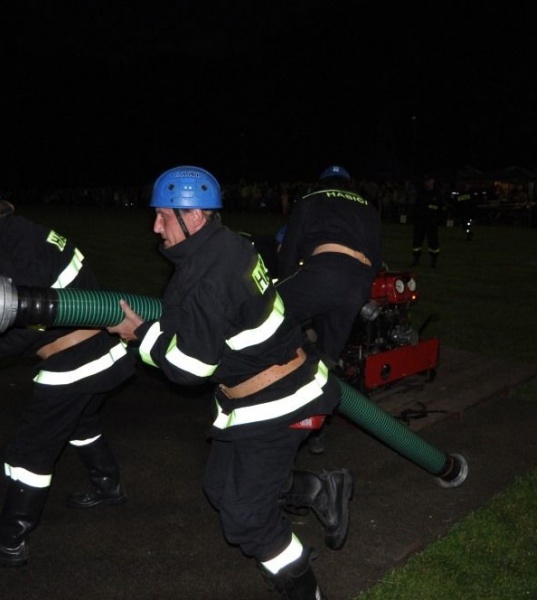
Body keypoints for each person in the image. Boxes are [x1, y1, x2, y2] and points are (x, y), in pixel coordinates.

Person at [107, 166, 352, 599]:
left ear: (196, 217)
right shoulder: (228, 244)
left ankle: (303, 588)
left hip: (279, 402)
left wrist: (140, 335)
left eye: (163, 216)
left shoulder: (205, 279)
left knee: (246, 519)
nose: (155, 226)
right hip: (266, 391)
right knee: (218, 487)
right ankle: (317, 488)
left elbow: (189, 369)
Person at [0, 177, 137, 567]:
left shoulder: (17, 258)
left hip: (77, 361)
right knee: (82, 421)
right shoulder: (25, 235)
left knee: (28, 453)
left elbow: (15, 339)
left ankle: (9, 543)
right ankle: (108, 486)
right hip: (102, 352)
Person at [275, 165, 382, 454]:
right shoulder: (368, 206)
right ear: (349, 183)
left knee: (266, 320)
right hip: (357, 283)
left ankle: (269, 408)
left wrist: (280, 289)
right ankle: (316, 433)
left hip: (325, 271)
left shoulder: (311, 199)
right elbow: (377, 254)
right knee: (325, 363)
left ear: (321, 182)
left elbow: (290, 250)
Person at [410, 173, 445, 267]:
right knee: (417, 242)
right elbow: (416, 206)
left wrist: (438, 219)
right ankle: (415, 259)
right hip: (420, 222)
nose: (427, 183)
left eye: (429, 181)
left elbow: (441, 208)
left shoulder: (437, 194)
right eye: (426, 181)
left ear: (432, 181)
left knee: (433, 243)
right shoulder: (421, 193)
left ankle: (434, 261)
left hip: (432, 223)